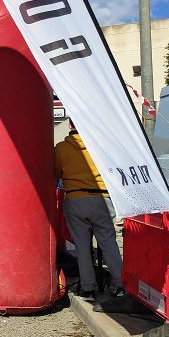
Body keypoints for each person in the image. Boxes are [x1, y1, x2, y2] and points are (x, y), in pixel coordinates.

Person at [54, 120, 124, 303]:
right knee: (108, 242)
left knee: (82, 246)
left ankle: (88, 288)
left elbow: (55, 173)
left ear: (70, 126)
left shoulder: (61, 148)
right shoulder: (101, 147)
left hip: (76, 199)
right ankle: (119, 285)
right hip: (103, 198)